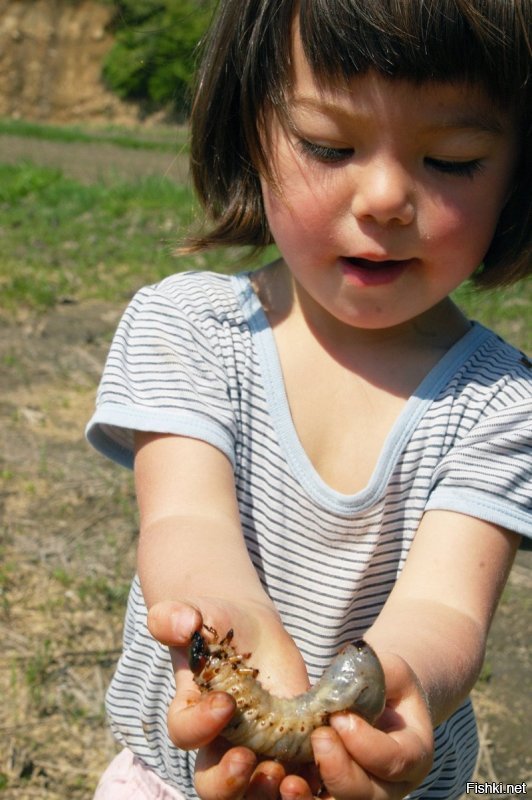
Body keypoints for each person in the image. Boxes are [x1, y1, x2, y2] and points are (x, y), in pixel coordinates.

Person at [86, 1, 532, 798]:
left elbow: (449, 610)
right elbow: (186, 520)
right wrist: (226, 623)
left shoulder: (502, 404)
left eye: (455, 159)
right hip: (174, 780)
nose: (387, 198)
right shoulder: (185, 329)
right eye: (330, 145)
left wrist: (394, 687)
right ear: (246, 129)